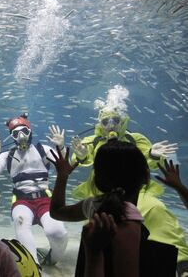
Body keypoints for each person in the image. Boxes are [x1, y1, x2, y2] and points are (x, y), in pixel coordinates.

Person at [70, 85, 188, 276]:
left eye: (115, 120)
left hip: (135, 192)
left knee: (158, 210)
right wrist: (82, 156)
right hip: (103, 193)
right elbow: (82, 160)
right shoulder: (90, 141)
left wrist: (152, 154)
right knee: (100, 223)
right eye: (106, 121)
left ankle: (182, 263)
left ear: (122, 121)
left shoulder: (136, 139)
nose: (111, 125)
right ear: (100, 122)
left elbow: (144, 163)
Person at [50, 141, 157, 276]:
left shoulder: (95, 204)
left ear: (96, 180)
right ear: (146, 177)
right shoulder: (128, 222)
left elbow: (57, 211)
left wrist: (62, 175)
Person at [0, 113, 68, 266]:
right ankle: (33, 266)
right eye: (15, 133)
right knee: (20, 222)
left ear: (30, 131)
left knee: (58, 233)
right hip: (22, 201)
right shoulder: (6, 155)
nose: (21, 136)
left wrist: (61, 147)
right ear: (11, 137)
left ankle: (52, 259)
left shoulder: (43, 149)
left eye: (24, 131)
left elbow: (65, 167)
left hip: (45, 198)